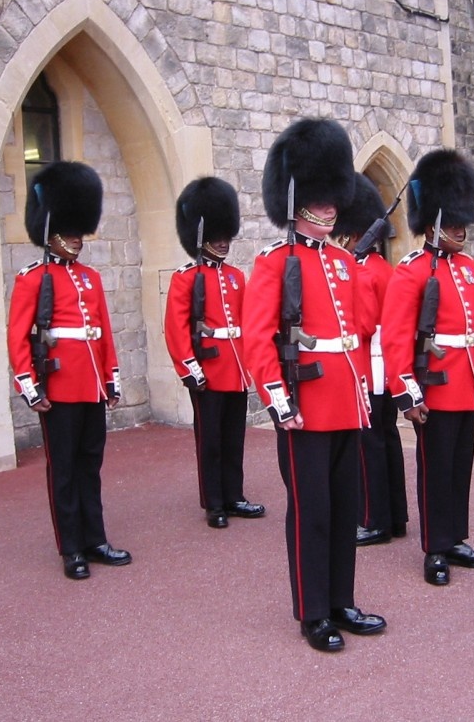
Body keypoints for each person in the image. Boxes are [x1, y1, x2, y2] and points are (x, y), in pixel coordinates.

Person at [243, 118, 387, 652]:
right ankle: (312, 611)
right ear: (297, 199)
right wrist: (280, 403)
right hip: (304, 407)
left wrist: (369, 262)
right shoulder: (274, 264)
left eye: (333, 200)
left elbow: (363, 327)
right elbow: (258, 340)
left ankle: (341, 601)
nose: (329, 210)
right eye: (320, 200)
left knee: (345, 508)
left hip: (346, 405)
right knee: (313, 512)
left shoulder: (346, 265)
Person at [7, 161, 131, 581]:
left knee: (89, 466)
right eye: (68, 232)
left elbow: (103, 335)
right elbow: (18, 337)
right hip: (58, 387)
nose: (76, 240)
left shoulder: (90, 278)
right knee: (63, 470)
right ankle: (71, 547)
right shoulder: (31, 279)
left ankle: (95, 538)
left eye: (79, 232)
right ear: (50, 232)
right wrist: (29, 386)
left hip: (91, 386)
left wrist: (110, 379)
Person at [380, 148, 474, 587]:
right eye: (453, 222)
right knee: (434, 468)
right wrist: (408, 392)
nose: (461, 230)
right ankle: (434, 548)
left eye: (463, 222)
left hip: (464, 386)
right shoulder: (410, 271)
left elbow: (472, 332)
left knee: (459, 466)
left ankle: (455, 537)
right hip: (433, 386)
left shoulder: (467, 269)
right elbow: (395, 338)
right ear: (432, 224)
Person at [164, 176, 265, 530]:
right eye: (216, 237)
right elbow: (176, 329)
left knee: (234, 436)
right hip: (208, 369)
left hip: (235, 369)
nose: (223, 243)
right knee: (210, 441)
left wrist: (251, 363)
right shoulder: (186, 278)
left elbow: (249, 322)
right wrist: (190, 368)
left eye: (226, 236)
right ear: (201, 237)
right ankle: (214, 502)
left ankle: (234, 495)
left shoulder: (237, 277)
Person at [330, 174, 409, 547]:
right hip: (387, 371)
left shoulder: (361, 272)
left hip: (367, 368)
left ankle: (374, 519)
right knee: (387, 440)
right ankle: (396, 516)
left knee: (369, 447)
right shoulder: (383, 268)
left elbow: (361, 325)